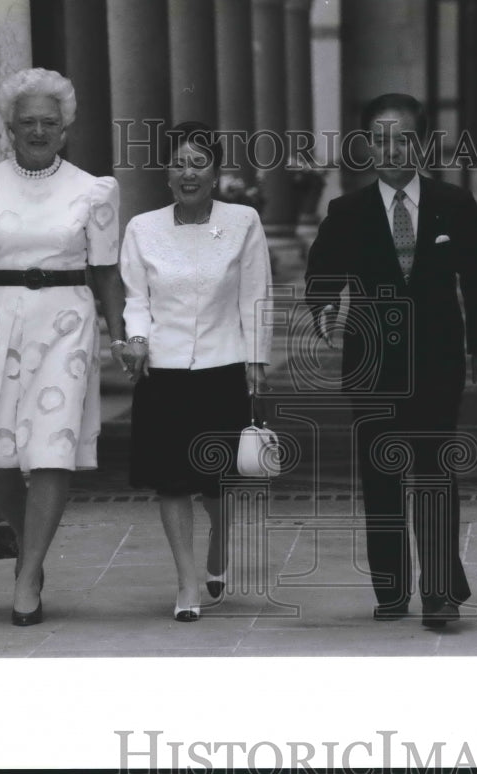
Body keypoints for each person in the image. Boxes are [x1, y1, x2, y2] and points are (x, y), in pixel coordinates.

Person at [305, 93, 477, 628]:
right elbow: (321, 272)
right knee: (382, 474)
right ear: (366, 146)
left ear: (423, 143)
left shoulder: (453, 205)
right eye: (381, 139)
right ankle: (391, 589)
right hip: (372, 366)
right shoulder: (347, 212)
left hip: (437, 360)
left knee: (436, 472)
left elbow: (475, 281)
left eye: (403, 138)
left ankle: (440, 592)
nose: (392, 149)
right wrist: (323, 308)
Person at [0, 67, 126, 627]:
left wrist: (119, 333)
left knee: (52, 447)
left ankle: (28, 575)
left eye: (51, 121)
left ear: (66, 128)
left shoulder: (94, 190)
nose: (40, 131)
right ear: (9, 127)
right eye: (29, 122)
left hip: (66, 323)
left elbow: (107, 272)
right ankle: (31, 546)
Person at [119, 121, 272, 623]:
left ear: (216, 171)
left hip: (223, 364)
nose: (188, 173)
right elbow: (135, 298)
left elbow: (255, 295)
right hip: (162, 371)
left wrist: (257, 359)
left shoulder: (244, 221)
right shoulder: (142, 228)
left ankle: (220, 537)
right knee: (172, 481)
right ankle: (187, 580)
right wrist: (137, 339)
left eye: (198, 163)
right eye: (179, 163)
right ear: (166, 172)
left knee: (217, 482)